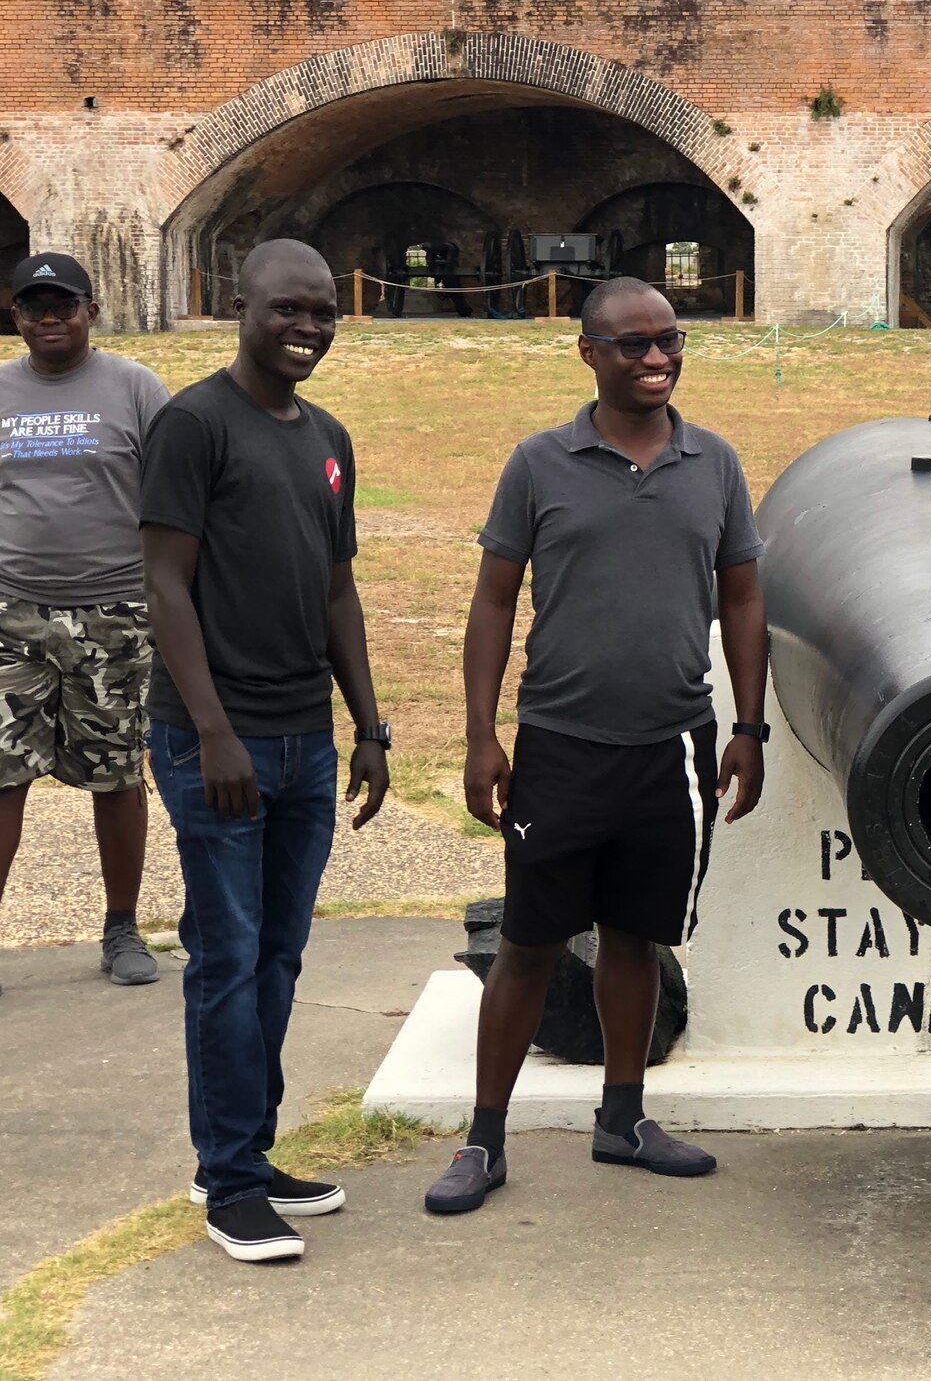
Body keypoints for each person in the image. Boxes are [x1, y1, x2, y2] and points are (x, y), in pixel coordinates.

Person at [423, 277, 769, 1216]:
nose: (656, 358)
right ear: (588, 353)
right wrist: (482, 732)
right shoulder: (540, 463)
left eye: (670, 340)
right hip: (562, 747)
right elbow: (494, 599)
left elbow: (742, 597)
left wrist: (747, 725)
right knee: (529, 945)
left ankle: (623, 1119)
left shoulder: (714, 463)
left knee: (637, 939)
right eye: (633, 345)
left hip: (672, 747)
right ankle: (484, 1141)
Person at [141, 239, 391, 1263]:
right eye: (288, 309)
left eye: (325, 312)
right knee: (227, 956)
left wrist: (368, 725)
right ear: (238, 305)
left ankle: (242, 1148)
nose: (309, 328)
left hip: (305, 740)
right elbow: (164, 584)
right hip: (219, 740)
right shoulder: (193, 424)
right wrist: (211, 734)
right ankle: (231, 1182)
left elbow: (337, 589)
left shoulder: (326, 436)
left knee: (279, 956)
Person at [0, 253, 171, 989]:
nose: (49, 318)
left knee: (116, 775)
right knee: (4, 777)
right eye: (34, 306)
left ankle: (122, 927)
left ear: (92, 311)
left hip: (115, 613)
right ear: (16, 315)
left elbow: (175, 497)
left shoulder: (135, 388)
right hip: (12, 614)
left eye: (63, 305)